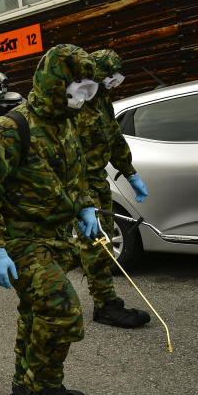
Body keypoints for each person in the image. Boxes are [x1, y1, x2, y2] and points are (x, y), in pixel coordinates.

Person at [0, 44, 101, 395]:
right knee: (62, 311)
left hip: (56, 236)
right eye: (79, 88)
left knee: (35, 311)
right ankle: (45, 390)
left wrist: (85, 206)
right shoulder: (8, 129)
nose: (84, 98)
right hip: (20, 240)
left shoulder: (65, 122)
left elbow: (75, 174)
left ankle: (25, 384)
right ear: (56, 83)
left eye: (90, 90)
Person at [73, 49, 150, 328]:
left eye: (116, 77)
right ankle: (105, 305)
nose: (113, 83)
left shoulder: (102, 100)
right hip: (76, 183)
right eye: (109, 77)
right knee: (96, 242)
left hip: (97, 180)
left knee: (92, 241)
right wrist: (80, 200)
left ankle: (96, 297)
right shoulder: (75, 103)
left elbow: (114, 138)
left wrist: (130, 173)